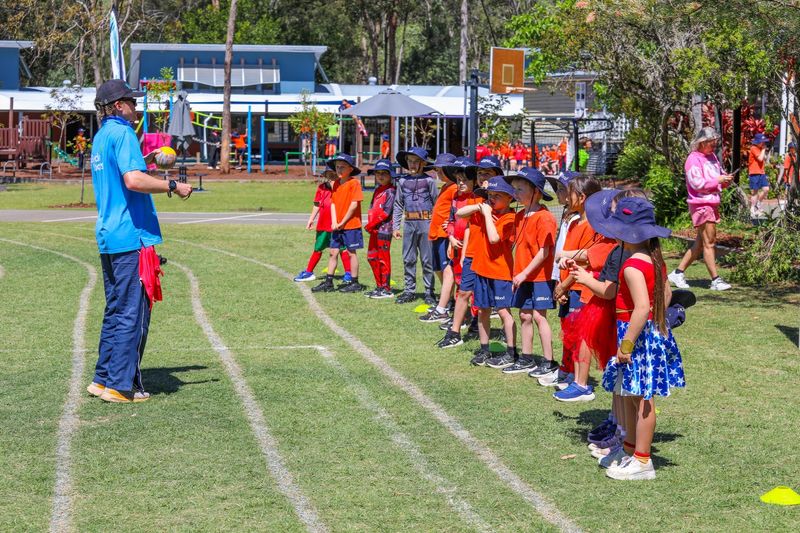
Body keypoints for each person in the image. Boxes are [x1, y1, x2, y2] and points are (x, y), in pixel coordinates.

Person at [86, 79, 192, 403]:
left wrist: (146, 160)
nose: (136, 107)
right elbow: (133, 181)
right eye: (132, 102)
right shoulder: (124, 133)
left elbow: (122, 173)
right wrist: (173, 186)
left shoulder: (102, 136)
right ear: (118, 105)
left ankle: (102, 379)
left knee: (116, 310)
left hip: (109, 234)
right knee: (133, 311)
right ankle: (121, 385)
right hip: (131, 235)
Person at [595, 195, 684, 481]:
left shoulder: (633, 266)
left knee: (643, 399)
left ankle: (643, 461)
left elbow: (642, 308)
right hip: (647, 335)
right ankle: (630, 450)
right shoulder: (654, 260)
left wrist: (627, 344)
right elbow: (666, 295)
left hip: (635, 337)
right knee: (632, 395)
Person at [455, 177, 518, 367]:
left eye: (497, 196)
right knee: (483, 310)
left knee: (503, 311)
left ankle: (511, 352)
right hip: (481, 269)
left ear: (509, 198)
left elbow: (493, 238)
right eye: (490, 195)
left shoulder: (510, 217)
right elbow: (459, 213)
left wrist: (488, 215)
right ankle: (484, 349)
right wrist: (479, 207)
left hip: (500, 272)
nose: (492, 199)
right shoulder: (485, 210)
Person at [501, 167, 557, 374]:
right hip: (522, 276)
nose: (515, 193)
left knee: (539, 317)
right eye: (514, 189)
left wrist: (524, 273)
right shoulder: (520, 216)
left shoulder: (545, 217)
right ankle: (526, 358)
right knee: (524, 315)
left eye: (520, 189)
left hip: (540, 276)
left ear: (536, 192)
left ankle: (549, 361)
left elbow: (544, 251)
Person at [668, 127, 734, 291]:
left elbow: (718, 178)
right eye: (712, 143)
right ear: (702, 143)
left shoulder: (712, 157)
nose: (714, 147)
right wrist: (718, 180)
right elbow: (697, 184)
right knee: (709, 242)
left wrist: (725, 180)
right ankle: (715, 280)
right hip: (701, 204)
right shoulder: (693, 159)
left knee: (700, 243)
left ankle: (677, 273)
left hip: (711, 203)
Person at [436, 157, 480, 349]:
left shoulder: (477, 198)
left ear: (474, 181)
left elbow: (472, 225)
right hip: (456, 246)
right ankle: (462, 319)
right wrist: (451, 237)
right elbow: (451, 221)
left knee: (472, 288)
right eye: (458, 180)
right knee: (459, 282)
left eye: (465, 180)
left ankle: (475, 320)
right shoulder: (455, 197)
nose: (460, 183)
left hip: (471, 249)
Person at [312, 154, 365, 292]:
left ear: (350, 169)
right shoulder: (335, 184)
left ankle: (355, 282)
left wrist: (342, 222)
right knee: (333, 252)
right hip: (337, 226)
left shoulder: (354, 183)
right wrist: (335, 221)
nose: (339, 170)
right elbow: (333, 204)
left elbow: (354, 205)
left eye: (343, 167)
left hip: (351, 225)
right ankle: (328, 282)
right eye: (337, 167)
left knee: (351, 253)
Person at [392, 147, 439, 305]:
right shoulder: (402, 181)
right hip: (409, 224)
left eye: (416, 161)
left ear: (423, 163)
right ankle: (409, 291)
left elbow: (437, 204)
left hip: (426, 224)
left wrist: (436, 226)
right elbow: (398, 204)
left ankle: (429, 292)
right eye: (410, 161)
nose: (412, 164)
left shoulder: (429, 181)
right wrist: (396, 226)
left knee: (427, 260)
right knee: (408, 259)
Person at [294, 169, 353, 283]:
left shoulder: (342, 187)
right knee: (318, 248)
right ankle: (309, 272)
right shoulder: (321, 187)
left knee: (342, 249)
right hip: (323, 225)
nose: (330, 177)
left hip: (337, 225)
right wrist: (311, 219)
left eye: (333, 175)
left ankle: (349, 274)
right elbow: (317, 204)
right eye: (328, 175)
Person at [420, 152, 458, 322]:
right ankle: (449, 299)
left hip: (445, 235)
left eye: (442, 170)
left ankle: (443, 307)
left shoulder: (455, 187)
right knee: (438, 269)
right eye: (437, 170)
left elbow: (456, 210)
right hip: (436, 234)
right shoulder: (445, 187)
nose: (438, 173)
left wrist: (451, 225)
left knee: (447, 270)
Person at [364, 159, 396, 298]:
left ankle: (386, 289)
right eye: (378, 173)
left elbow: (386, 212)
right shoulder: (378, 190)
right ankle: (379, 286)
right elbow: (372, 208)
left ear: (390, 175)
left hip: (384, 230)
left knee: (383, 259)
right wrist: (371, 224)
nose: (381, 176)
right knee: (372, 257)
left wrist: (371, 224)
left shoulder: (391, 191)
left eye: (384, 173)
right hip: (374, 230)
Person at [748, 133, 770, 217]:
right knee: (755, 192)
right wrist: (763, 149)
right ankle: (752, 209)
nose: (763, 143)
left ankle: (758, 203)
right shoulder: (753, 148)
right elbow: (760, 159)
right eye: (762, 142)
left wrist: (763, 150)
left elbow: (764, 158)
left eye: (764, 142)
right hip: (754, 172)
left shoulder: (760, 149)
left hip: (761, 172)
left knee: (766, 189)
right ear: (757, 142)